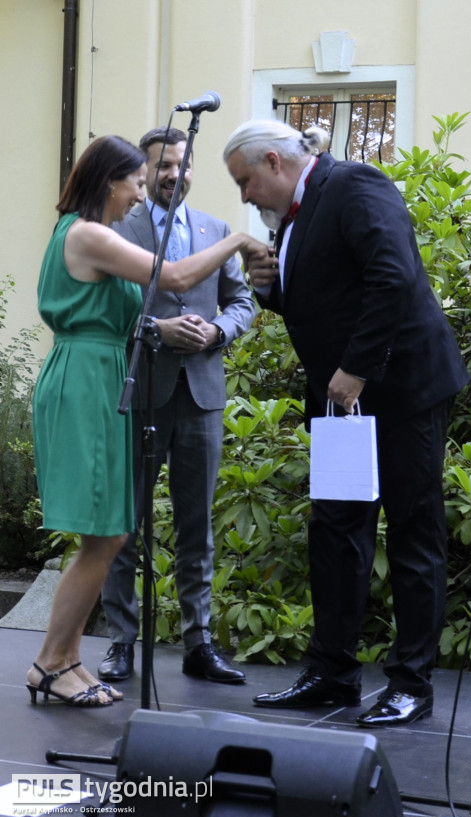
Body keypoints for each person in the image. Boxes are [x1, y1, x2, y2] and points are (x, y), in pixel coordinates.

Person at [221, 119, 469, 726]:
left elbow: (393, 276)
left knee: (413, 533)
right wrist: (274, 286)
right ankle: (332, 674)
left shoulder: (356, 184)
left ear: (275, 162)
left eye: (246, 181)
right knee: (336, 531)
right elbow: (331, 291)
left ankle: (412, 683)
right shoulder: (297, 212)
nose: (245, 197)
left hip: (402, 389)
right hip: (344, 404)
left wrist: (355, 369)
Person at [26, 135, 262, 707]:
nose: (140, 191)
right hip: (87, 380)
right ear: (110, 181)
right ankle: (51, 663)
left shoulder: (86, 233)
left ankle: (63, 660)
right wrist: (236, 237)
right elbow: (175, 279)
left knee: (107, 532)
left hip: (99, 375)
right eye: (134, 180)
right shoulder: (88, 234)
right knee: (106, 533)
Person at [97, 127, 256, 685]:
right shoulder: (120, 228)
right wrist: (157, 330)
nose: (174, 175)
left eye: (182, 166)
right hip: (141, 394)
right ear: (145, 170)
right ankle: (120, 641)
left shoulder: (213, 230)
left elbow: (242, 302)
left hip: (202, 396)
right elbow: (107, 312)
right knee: (125, 525)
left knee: (197, 527)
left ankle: (199, 643)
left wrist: (216, 332)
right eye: (162, 167)